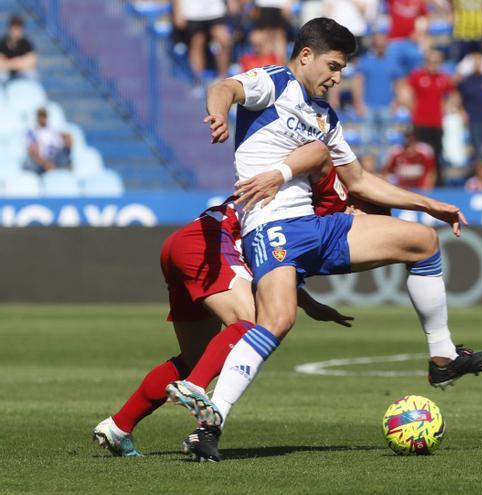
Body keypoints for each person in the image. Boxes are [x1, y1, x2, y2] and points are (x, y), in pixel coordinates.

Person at [165, 18, 482, 462]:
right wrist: (219, 112)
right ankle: (211, 424)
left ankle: (442, 359)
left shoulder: (325, 115)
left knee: (422, 241)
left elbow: (358, 181)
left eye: (341, 69)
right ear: (306, 55)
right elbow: (225, 87)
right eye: (333, 65)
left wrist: (427, 204)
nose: (337, 76)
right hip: (270, 226)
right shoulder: (274, 83)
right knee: (278, 320)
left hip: (318, 226)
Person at [91, 142, 352, 457]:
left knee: (194, 358)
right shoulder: (298, 215)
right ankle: (197, 389)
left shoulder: (287, 203)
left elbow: (270, 270)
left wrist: (310, 305)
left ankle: (119, 426)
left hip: (184, 243)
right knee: (250, 323)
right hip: (209, 244)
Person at [351, 33, 405, 160]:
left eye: (382, 45)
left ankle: (383, 170)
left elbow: (399, 83)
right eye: (378, 44)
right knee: (366, 141)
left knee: (385, 142)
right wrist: (358, 103)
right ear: (374, 45)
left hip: (386, 107)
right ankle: (366, 169)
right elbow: (357, 82)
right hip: (368, 107)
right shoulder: (365, 62)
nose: (380, 47)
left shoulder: (392, 63)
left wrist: (396, 102)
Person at [408, 49, 456, 185]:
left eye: (437, 62)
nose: (434, 65)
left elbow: (453, 93)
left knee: (436, 155)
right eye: (432, 61)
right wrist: (412, 110)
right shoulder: (417, 76)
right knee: (421, 156)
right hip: (420, 123)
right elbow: (408, 93)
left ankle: (437, 185)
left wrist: (447, 106)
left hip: (437, 123)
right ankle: (420, 184)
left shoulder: (443, 78)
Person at [172, 0, 236, 89]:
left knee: (223, 39)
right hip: (193, 12)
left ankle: (223, 78)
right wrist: (177, 11)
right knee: (197, 42)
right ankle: (198, 82)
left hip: (216, 10)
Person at [24, 107, 72, 175]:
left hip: (54, 158)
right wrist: (45, 163)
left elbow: (59, 144)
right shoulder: (32, 132)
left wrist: (66, 138)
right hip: (39, 161)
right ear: (37, 117)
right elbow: (32, 151)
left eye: (44, 116)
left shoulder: (52, 130)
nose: (42, 118)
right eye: (40, 116)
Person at [0, 14, 37, 83]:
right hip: (7, 73)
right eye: (15, 29)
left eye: (19, 29)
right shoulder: (2, 43)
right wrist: (17, 62)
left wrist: (9, 63)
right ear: (10, 29)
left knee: (32, 74)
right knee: (2, 75)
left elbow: (32, 62)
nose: (17, 32)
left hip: (21, 72)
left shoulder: (26, 43)